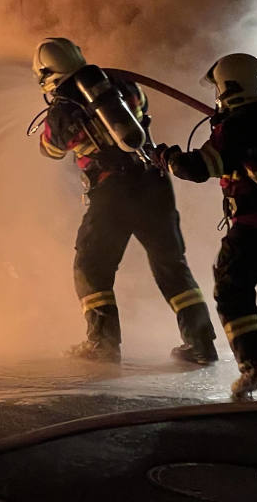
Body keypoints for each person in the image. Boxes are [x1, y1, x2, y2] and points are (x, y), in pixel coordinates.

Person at [34, 37, 218, 365]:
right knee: (171, 265)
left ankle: (102, 344)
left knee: (92, 267)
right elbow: (143, 108)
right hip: (154, 183)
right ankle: (202, 344)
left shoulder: (62, 111)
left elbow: (50, 149)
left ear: (49, 74)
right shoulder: (121, 84)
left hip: (111, 192)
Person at [154, 53, 257, 398]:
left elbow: (199, 167)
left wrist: (168, 158)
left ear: (228, 87)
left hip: (256, 227)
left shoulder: (239, 125)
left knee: (231, 292)